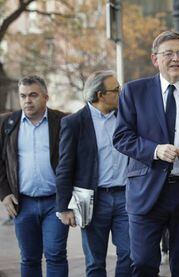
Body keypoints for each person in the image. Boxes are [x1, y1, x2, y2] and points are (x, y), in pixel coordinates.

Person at [113, 31, 179, 276]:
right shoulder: (133, 91)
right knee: (143, 262)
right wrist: (155, 150)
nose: (175, 58)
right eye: (168, 53)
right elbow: (121, 138)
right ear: (154, 59)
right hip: (147, 192)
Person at [55, 70, 132, 276]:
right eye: (116, 90)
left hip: (126, 197)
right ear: (100, 95)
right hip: (92, 200)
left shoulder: (125, 117)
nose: (120, 93)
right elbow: (64, 167)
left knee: (130, 254)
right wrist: (64, 208)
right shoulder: (74, 123)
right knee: (95, 262)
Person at [0, 75, 69, 277]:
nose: (27, 101)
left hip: (55, 202)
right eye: (23, 96)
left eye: (33, 95)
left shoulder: (63, 121)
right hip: (23, 203)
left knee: (56, 255)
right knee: (29, 258)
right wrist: (4, 193)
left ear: (46, 97)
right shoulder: (7, 124)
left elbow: (74, 160)